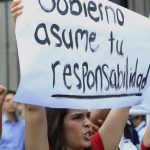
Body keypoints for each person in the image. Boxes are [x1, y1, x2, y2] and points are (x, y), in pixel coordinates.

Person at [11, 0, 130, 150]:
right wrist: (25, 32)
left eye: (87, 115)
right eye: (77, 117)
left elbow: (127, 99)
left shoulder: (97, 146)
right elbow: (33, 107)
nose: (88, 122)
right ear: (57, 125)